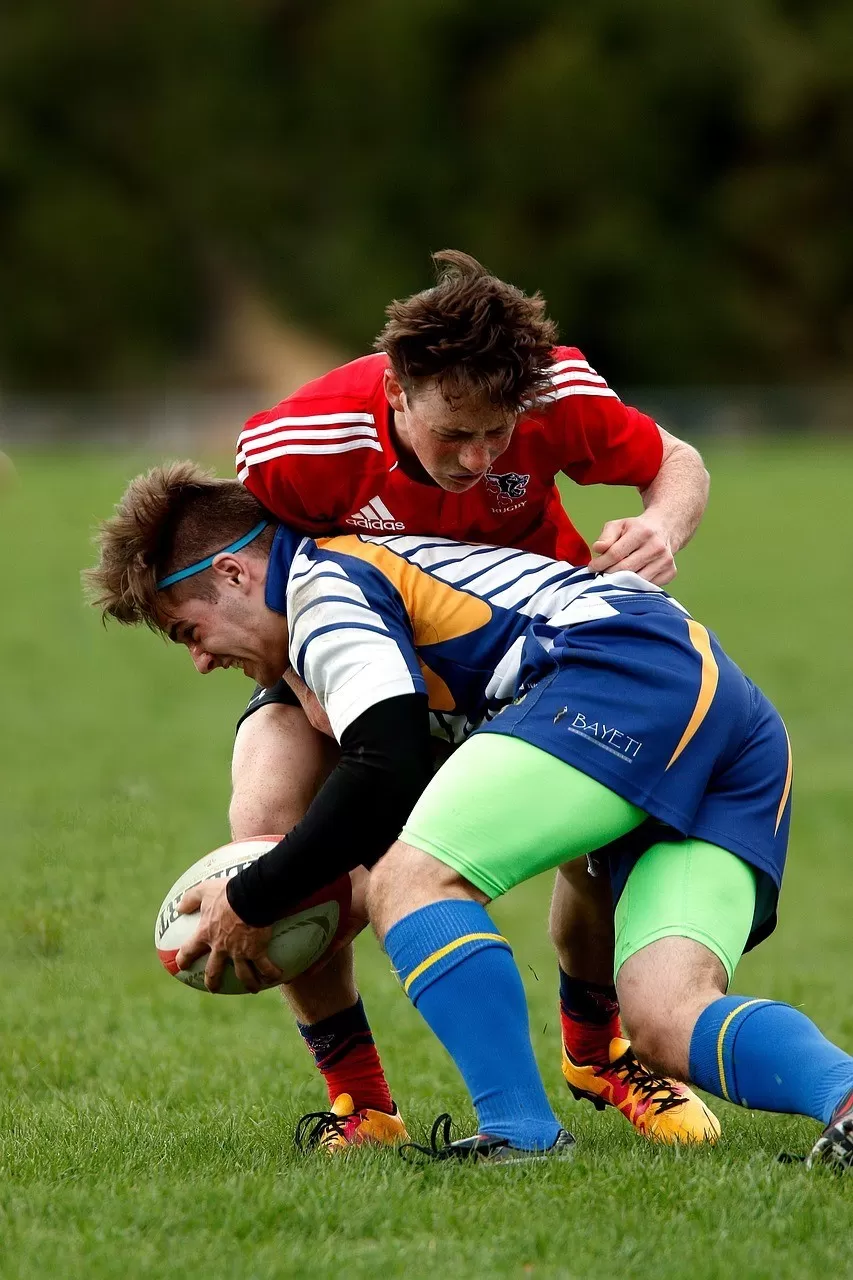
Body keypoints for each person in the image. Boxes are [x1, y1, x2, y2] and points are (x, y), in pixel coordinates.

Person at [85, 468, 853, 1172]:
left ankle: (521, 1135)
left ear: (232, 573)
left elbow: (381, 768)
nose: (199, 660)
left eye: (189, 630)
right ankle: (845, 1099)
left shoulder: (323, 585)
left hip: (619, 672)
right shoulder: (338, 617)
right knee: (664, 1013)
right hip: (734, 727)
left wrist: (252, 897)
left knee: (412, 884)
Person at [224, 250, 711, 1147]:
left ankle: (599, 1055)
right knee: (267, 815)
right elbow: (258, 580)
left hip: (530, 650)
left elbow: (675, 462)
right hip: (360, 662)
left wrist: (659, 526)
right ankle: (361, 1103)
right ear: (399, 389)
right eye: (455, 434)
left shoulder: (557, 392)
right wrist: (299, 681)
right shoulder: (298, 444)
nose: (480, 458)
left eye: (498, 435)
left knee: (597, 851)